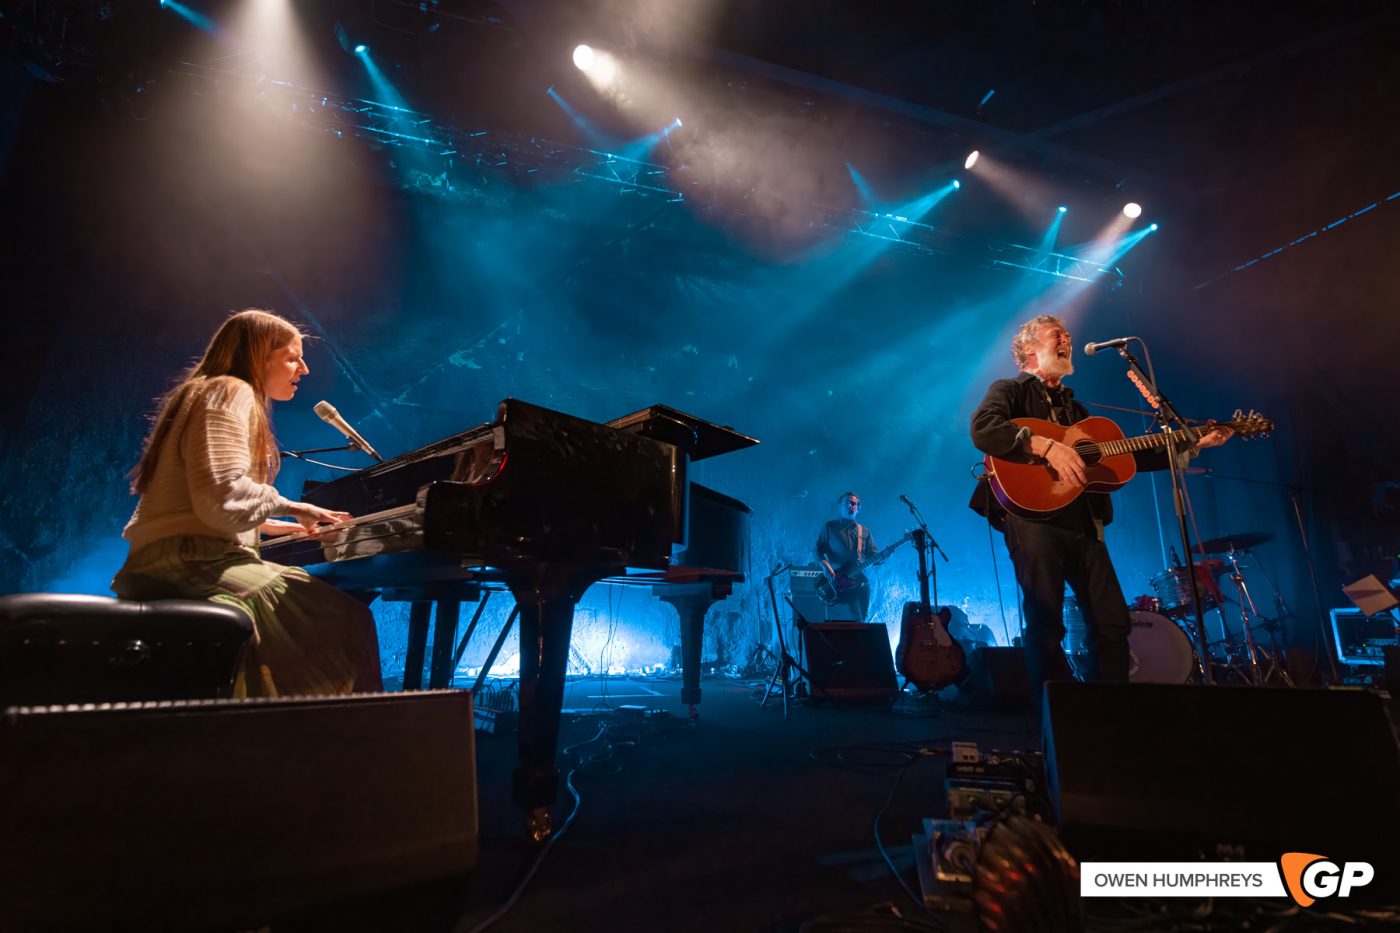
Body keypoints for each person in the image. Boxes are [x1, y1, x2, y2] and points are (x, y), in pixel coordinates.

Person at [111, 309, 382, 697]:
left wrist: (276, 526)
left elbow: (197, 506)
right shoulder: (231, 390)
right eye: (292, 357)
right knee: (346, 621)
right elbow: (220, 495)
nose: (303, 369)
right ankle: (336, 743)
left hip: (161, 561)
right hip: (194, 564)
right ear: (258, 357)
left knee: (312, 626)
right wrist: (295, 506)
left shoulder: (201, 391)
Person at [968, 315, 1231, 697]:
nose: (1067, 339)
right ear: (1028, 350)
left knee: (1112, 622)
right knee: (1046, 622)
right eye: (1057, 335)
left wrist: (1190, 443)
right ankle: (1053, 719)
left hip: (1083, 523)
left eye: (1068, 335)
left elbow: (1126, 458)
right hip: (1032, 518)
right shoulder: (1009, 389)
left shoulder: (1079, 412)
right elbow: (984, 429)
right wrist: (1045, 446)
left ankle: (1110, 715)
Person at [815, 491, 879, 622]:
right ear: (840, 507)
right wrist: (825, 565)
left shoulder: (865, 531)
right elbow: (817, 550)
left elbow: (874, 556)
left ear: (858, 508)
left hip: (860, 583)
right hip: (837, 582)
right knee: (856, 620)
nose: (850, 505)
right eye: (846, 503)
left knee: (861, 620)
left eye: (853, 503)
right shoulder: (829, 527)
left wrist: (883, 557)